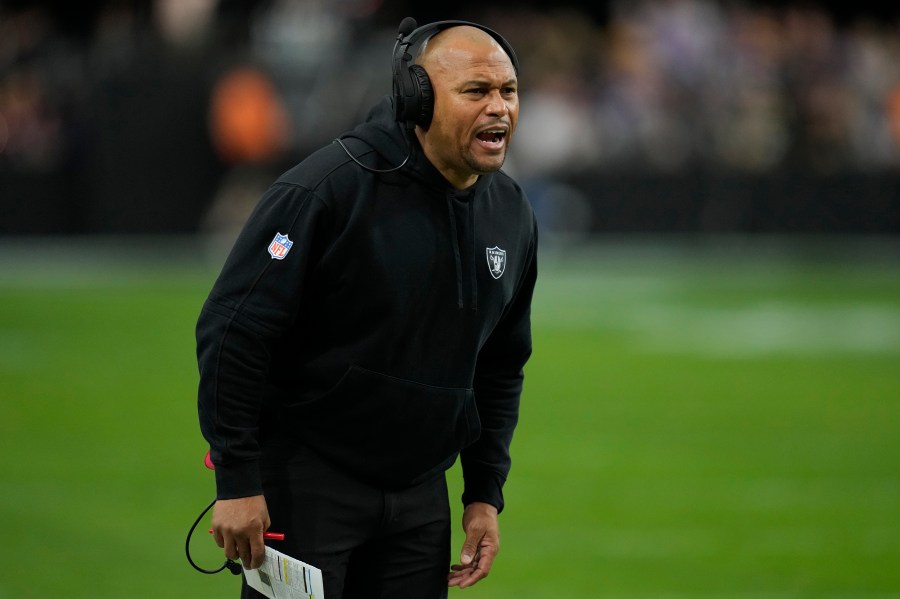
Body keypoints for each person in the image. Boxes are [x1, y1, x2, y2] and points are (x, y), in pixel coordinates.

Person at [196, 18, 538, 599]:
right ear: (418, 98)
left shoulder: (510, 211)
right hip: (308, 482)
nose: (499, 108)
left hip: (419, 495)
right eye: (476, 92)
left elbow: (501, 363)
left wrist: (483, 494)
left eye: (507, 90)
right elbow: (234, 331)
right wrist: (236, 479)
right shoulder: (327, 190)